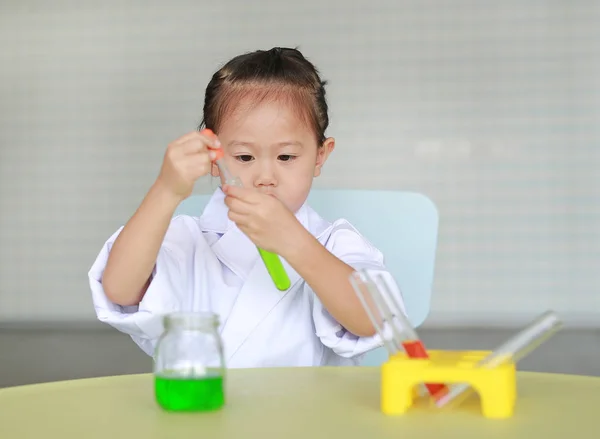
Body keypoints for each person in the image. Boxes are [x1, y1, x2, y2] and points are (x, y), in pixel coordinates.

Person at [88, 47, 404, 367]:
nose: (265, 177)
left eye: (285, 157)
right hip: (202, 412)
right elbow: (120, 290)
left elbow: (372, 320)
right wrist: (165, 191)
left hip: (306, 415)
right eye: (244, 157)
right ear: (214, 155)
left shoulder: (335, 243)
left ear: (320, 156)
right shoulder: (187, 240)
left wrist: (296, 245)